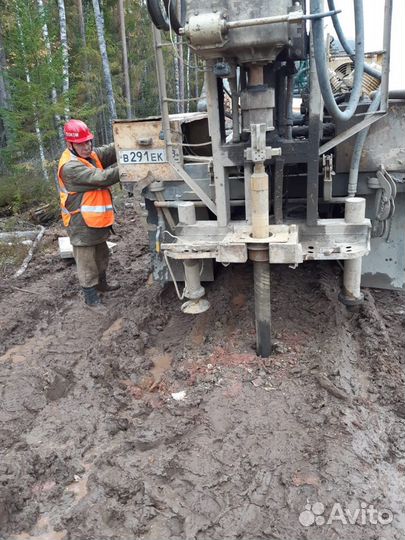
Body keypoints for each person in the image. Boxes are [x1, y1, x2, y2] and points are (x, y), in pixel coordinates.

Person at [58, 119, 121, 308]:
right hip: (80, 223)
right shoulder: (70, 167)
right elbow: (102, 178)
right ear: (70, 144)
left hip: (95, 220)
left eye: (88, 141)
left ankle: (102, 285)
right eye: (81, 143)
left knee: (102, 256)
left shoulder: (89, 155)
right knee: (87, 264)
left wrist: (126, 140)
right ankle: (91, 298)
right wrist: (129, 165)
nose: (87, 146)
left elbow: (109, 151)